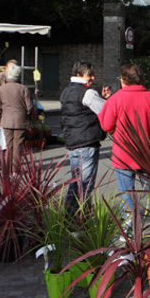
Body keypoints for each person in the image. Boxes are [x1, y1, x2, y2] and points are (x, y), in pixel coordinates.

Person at [99, 64, 150, 224]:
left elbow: (106, 125)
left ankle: (131, 228)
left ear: (123, 79)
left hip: (124, 154)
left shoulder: (117, 98)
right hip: (147, 154)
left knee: (126, 193)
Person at [60, 61, 107, 204]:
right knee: (85, 185)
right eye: (89, 75)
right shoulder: (88, 93)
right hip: (87, 142)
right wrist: (107, 100)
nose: (92, 78)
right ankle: (80, 218)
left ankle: (71, 218)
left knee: (76, 182)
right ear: (79, 74)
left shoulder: (66, 91)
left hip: (72, 142)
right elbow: (105, 111)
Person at [0, 63, 35, 172]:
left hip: (6, 120)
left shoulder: (1, 89)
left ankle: (7, 169)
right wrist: (28, 117)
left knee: (8, 146)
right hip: (20, 121)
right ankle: (15, 170)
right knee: (18, 146)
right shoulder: (23, 88)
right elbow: (29, 107)